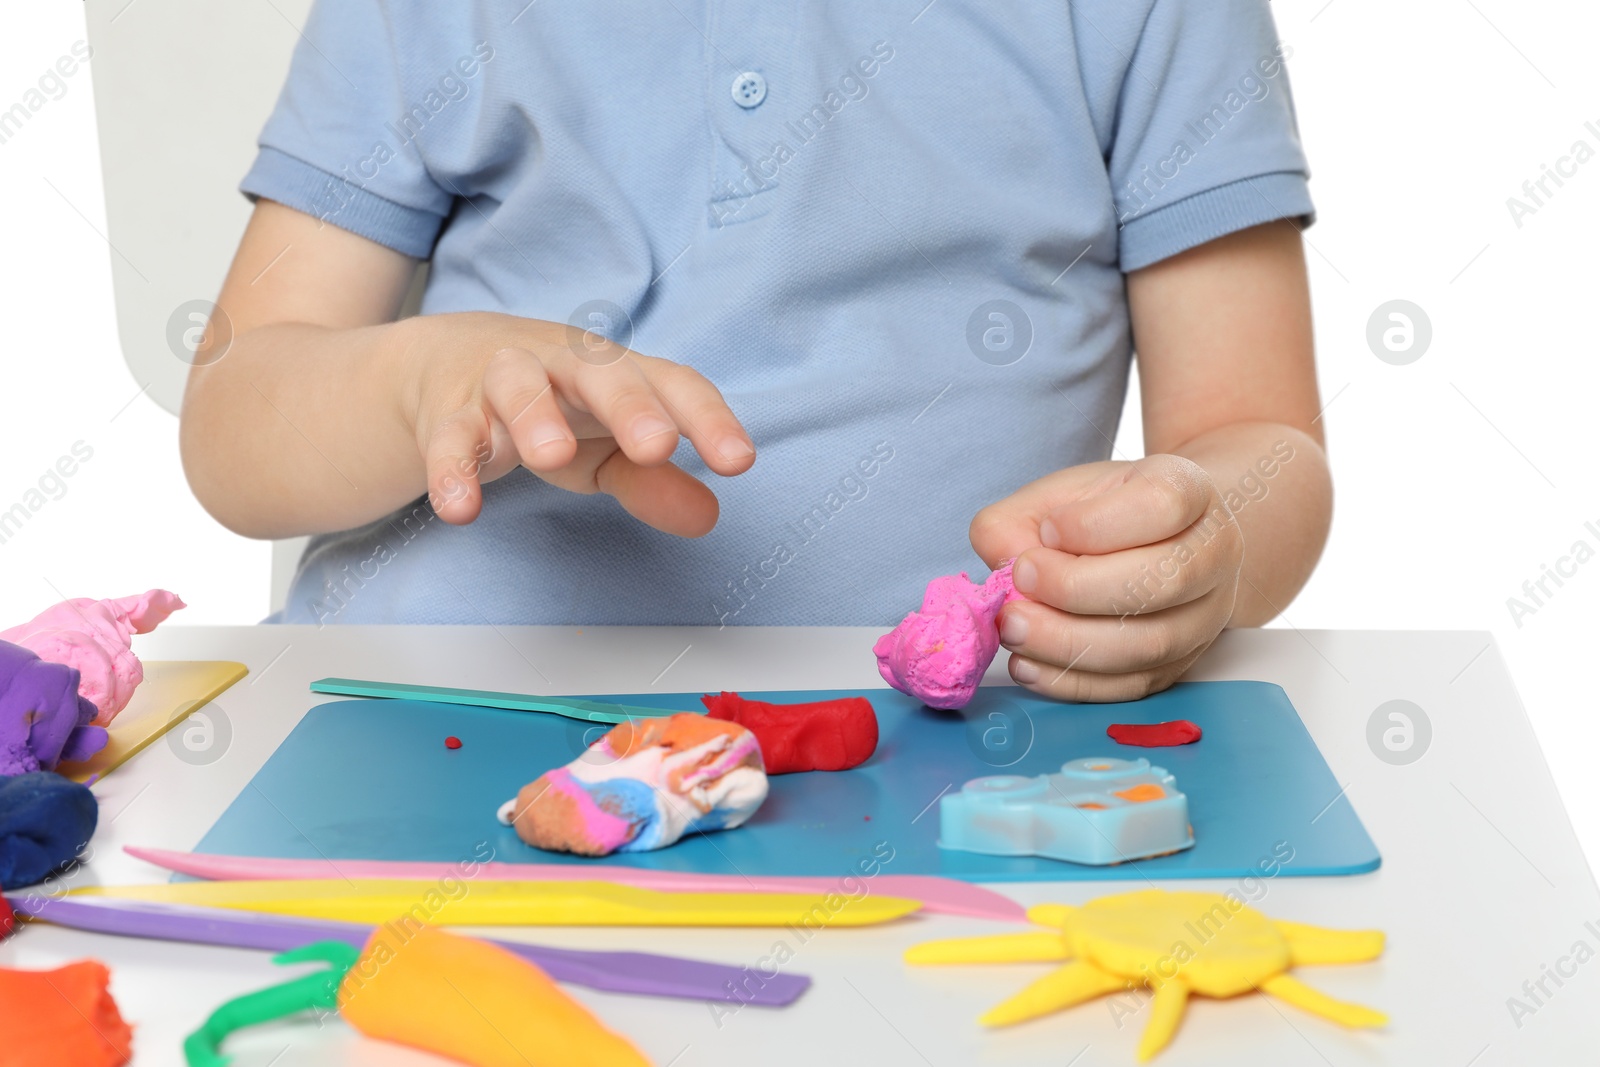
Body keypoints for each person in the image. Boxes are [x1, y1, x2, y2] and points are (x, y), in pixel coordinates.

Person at [180, 0, 1331, 703]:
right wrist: (416, 381)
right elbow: (236, 423)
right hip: (420, 710)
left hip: (952, 746)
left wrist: (1207, 536)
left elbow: (1258, 438)